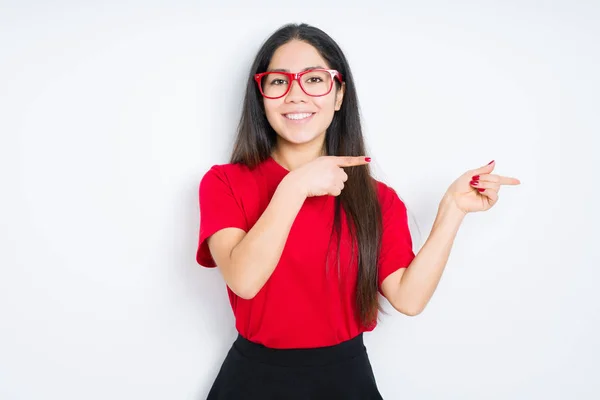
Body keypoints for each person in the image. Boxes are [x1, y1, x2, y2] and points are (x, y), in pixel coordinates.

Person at [195, 22, 520, 399]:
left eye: (314, 79)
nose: (296, 95)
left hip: (345, 382)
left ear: (338, 95)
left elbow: (408, 298)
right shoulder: (224, 183)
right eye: (278, 81)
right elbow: (244, 280)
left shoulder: (377, 199)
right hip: (251, 382)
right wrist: (296, 186)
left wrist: (452, 209)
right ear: (261, 95)